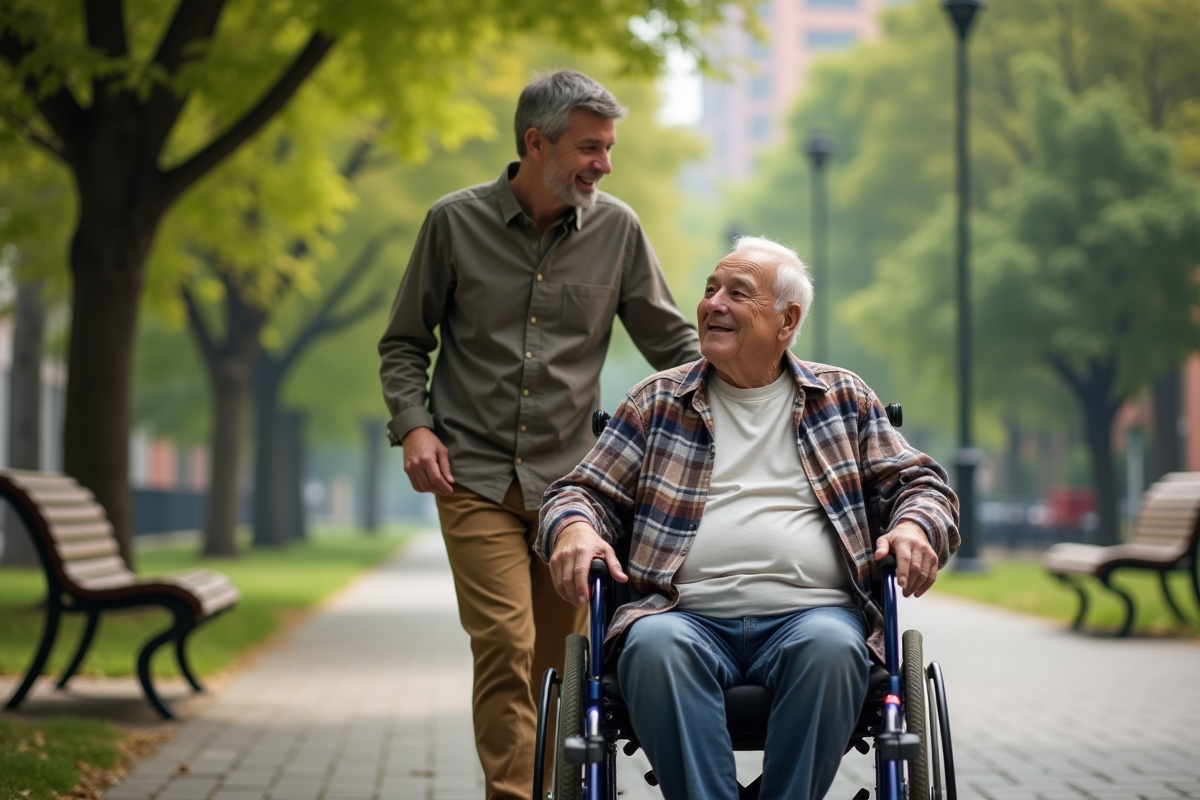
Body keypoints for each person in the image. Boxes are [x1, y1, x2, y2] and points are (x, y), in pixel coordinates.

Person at [536, 236, 960, 800]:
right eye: (711, 289)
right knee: (654, 648)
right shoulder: (657, 401)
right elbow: (577, 492)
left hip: (813, 617)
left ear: (787, 321)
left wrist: (912, 526)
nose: (714, 303)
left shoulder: (843, 398)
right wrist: (575, 528)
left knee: (834, 651)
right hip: (679, 617)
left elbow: (922, 484)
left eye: (738, 294)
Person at [378, 69, 701, 800]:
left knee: (562, 663)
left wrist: (759, 384)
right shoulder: (452, 223)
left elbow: (672, 344)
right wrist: (415, 427)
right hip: (472, 475)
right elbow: (403, 343)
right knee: (504, 644)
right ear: (536, 142)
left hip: (573, 493)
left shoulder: (617, 230)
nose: (605, 164)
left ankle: (558, 790)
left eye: (609, 148)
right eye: (590, 147)